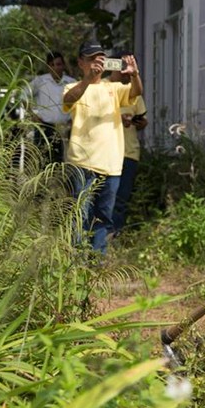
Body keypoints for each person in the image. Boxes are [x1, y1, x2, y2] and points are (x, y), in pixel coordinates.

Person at [63, 40, 142, 255]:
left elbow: (136, 92)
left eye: (100, 59)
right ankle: (76, 262)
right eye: (91, 59)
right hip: (82, 163)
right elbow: (68, 100)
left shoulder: (114, 88)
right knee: (81, 214)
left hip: (111, 165)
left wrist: (134, 74)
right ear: (81, 63)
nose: (96, 64)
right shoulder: (73, 87)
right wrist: (88, 80)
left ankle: (96, 263)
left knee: (103, 217)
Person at [107, 49, 148, 236]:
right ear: (111, 65)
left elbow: (142, 119)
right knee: (104, 197)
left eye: (128, 65)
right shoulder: (102, 87)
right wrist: (117, 118)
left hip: (129, 151)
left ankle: (116, 234)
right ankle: (100, 236)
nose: (124, 69)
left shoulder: (134, 90)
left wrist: (137, 121)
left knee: (122, 199)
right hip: (106, 152)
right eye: (120, 64)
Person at [26, 51, 76, 164]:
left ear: (63, 65)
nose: (55, 68)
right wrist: (32, 115)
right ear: (48, 66)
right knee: (42, 160)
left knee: (63, 162)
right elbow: (23, 95)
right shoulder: (40, 81)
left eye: (58, 64)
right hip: (44, 127)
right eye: (52, 65)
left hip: (65, 128)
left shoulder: (71, 82)